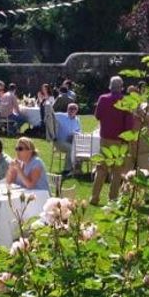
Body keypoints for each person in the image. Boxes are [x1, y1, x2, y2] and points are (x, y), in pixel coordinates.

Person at [90, 76, 133, 205]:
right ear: (121, 87)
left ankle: (94, 197)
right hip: (119, 140)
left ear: (110, 85)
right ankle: (113, 199)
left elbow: (97, 116)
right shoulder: (126, 101)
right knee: (117, 171)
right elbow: (129, 123)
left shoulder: (103, 99)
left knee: (101, 169)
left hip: (105, 138)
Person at [54, 103, 81, 174]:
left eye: (74, 109)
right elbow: (49, 115)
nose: (72, 110)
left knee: (80, 148)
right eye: (70, 108)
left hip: (72, 141)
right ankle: (67, 170)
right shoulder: (60, 116)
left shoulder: (77, 120)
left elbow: (79, 132)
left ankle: (77, 169)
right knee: (71, 149)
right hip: (59, 141)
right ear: (67, 109)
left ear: (77, 111)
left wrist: (74, 135)